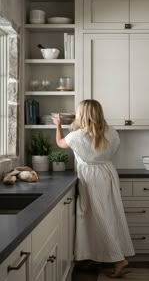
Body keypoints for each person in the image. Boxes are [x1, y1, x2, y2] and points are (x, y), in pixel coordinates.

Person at [52, 99, 135, 278]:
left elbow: (60, 143)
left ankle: (118, 260)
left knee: (98, 217)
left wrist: (58, 125)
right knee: (109, 216)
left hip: (90, 177)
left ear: (81, 114)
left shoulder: (76, 136)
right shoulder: (111, 132)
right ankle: (96, 256)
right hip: (108, 173)